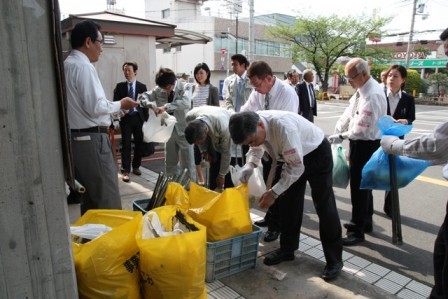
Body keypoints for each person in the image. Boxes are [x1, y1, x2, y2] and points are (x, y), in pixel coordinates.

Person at [229, 111, 343, 281]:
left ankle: (335, 260)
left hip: (316, 153)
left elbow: (296, 168)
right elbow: (256, 146)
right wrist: (250, 164)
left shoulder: (284, 129)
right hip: (290, 158)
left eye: (251, 140)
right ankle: (287, 249)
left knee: (324, 206)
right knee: (288, 204)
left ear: (260, 125)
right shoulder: (252, 123)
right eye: (248, 142)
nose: (252, 144)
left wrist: (273, 193)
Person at [65, 20, 139, 215]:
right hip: (92, 141)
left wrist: (116, 110)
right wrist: (121, 104)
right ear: (88, 42)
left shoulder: (67, 65)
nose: (102, 48)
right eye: (100, 42)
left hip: (77, 140)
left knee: (90, 202)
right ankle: (109, 244)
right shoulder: (83, 67)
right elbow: (95, 107)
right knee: (107, 200)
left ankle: (92, 243)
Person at [328, 58, 387, 246]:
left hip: (365, 144)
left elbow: (362, 128)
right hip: (360, 142)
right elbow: (349, 111)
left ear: (363, 74)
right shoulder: (362, 90)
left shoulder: (373, 94)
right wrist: (339, 128)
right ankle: (366, 221)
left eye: (351, 78)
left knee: (359, 188)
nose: (349, 82)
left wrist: (342, 136)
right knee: (365, 185)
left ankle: (356, 230)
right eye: (347, 78)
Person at [241, 60, 299, 243]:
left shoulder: (286, 93)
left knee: (278, 188)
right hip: (266, 145)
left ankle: (276, 227)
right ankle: (270, 218)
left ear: (268, 78)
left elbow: (283, 128)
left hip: (284, 147)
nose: (256, 90)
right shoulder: (257, 92)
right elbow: (246, 111)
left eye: (257, 85)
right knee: (268, 182)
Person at [140, 67, 195, 182]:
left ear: (173, 82)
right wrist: (151, 105)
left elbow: (186, 102)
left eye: (168, 88)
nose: (166, 91)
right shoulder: (159, 89)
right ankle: (172, 189)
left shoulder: (186, 86)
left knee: (188, 164)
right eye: (163, 89)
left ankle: (189, 191)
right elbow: (142, 97)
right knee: (170, 164)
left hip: (184, 130)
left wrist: (165, 107)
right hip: (168, 131)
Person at [382, 64, 416, 217]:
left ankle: (390, 207)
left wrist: (405, 121)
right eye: (390, 75)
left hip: (396, 141)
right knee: (371, 171)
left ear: (403, 80)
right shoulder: (379, 95)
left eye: (395, 76)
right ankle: (365, 210)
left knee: (393, 174)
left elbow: (411, 118)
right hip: (377, 139)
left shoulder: (408, 99)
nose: (391, 79)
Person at [113, 62, 148, 183]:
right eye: (125, 70)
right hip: (126, 118)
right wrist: (117, 118)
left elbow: (145, 105)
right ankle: (125, 170)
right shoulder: (120, 87)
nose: (126, 73)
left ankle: (136, 166)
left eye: (129, 70)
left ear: (135, 71)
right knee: (126, 144)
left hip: (138, 118)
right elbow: (115, 104)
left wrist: (146, 120)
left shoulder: (142, 87)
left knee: (139, 143)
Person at [185, 106, 233, 191]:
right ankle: (213, 191)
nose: (198, 144)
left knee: (227, 176)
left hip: (229, 130)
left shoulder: (223, 126)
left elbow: (227, 153)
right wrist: (204, 151)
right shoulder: (189, 118)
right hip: (210, 124)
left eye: (199, 142)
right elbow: (198, 138)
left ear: (206, 133)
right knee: (213, 170)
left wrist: (222, 175)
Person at [190, 62, 220, 185]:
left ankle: (210, 179)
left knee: (209, 152)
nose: (199, 75)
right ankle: (201, 178)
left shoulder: (213, 89)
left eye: (201, 73)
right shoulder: (192, 88)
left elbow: (216, 108)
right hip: (195, 124)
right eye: (197, 73)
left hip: (208, 126)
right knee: (196, 151)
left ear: (207, 73)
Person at [224, 54, 252, 168]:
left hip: (248, 121)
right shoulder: (232, 81)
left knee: (248, 153)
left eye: (235, 64)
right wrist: (232, 112)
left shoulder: (251, 80)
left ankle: (248, 180)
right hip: (235, 119)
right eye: (232, 65)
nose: (233, 67)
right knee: (234, 152)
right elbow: (228, 100)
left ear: (243, 65)